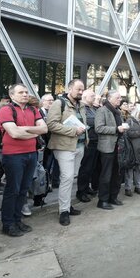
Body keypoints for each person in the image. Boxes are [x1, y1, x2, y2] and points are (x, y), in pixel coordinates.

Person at [0, 84, 47, 237]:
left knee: (24, 189)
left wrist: (23, 130)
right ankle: (8, 224)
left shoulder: (33, 109)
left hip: (31, 154)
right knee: (13, 190)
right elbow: (14, 133)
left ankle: (17, 220)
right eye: (21, 92)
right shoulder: (6, 110)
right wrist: (33, 131)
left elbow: (44, 129)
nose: (25, 94)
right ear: (12, 96)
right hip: (13, 155)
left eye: (26, 92)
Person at [46, 79, 87, 226]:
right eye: (78, 89)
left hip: (79, 146)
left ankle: (67, 206)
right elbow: (51, 125)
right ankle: (63, 211)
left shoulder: (81, 105)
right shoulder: (59, 103)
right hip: (64, 146)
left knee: (71, 178)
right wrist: (73, 130)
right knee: (67, 178)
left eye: (83, 89)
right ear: (70, 89)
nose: (81, 92)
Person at [95, 90, 126, 209]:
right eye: (117, 98)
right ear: (109, 98)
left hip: (118, 146)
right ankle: (102, 200)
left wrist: (122, 129)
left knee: (116, 174)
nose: (120, 99)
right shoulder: (102, 110)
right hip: (107, 147)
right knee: (106, 174)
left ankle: (113, 197)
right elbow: (99, 128)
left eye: (120, 97)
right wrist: (116, 129)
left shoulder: (118, 112)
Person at [75, 90, 100, 203]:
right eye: (92, 95)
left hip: (95, 141)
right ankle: (81, 191)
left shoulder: (93, 109)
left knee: (91, 167)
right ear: (84, 96)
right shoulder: (82, 109)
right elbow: (88, 122)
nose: (94, 97)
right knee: (85, 168)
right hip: (88, 141)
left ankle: (86, 188)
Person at [124, 104, 140, 195]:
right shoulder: (130, 120)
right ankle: (128, 188)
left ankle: (138, 186)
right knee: (130, 169)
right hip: (132, 148)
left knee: (139, 168)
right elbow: (128, 133)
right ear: (138, 112)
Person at [39, 94, 60, 190]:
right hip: (44, 144)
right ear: (43, 102)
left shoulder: (55, 113)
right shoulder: (39, 113)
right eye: (49, 100)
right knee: (45, 165)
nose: (51, 102)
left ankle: (50, 183)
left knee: (52, 165)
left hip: (54, 143)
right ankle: (44, 186)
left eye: (53, 100)